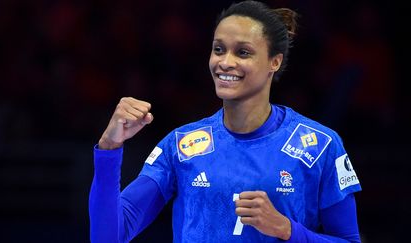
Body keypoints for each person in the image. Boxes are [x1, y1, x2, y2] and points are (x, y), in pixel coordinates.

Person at [89, 1, 362, 242]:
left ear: (274, 62)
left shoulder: (320, 145)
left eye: (243, 52)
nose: (225, 62)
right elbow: (108, 237)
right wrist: (109, 147)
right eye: (219, 49)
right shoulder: (181, 145)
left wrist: (287, 230)